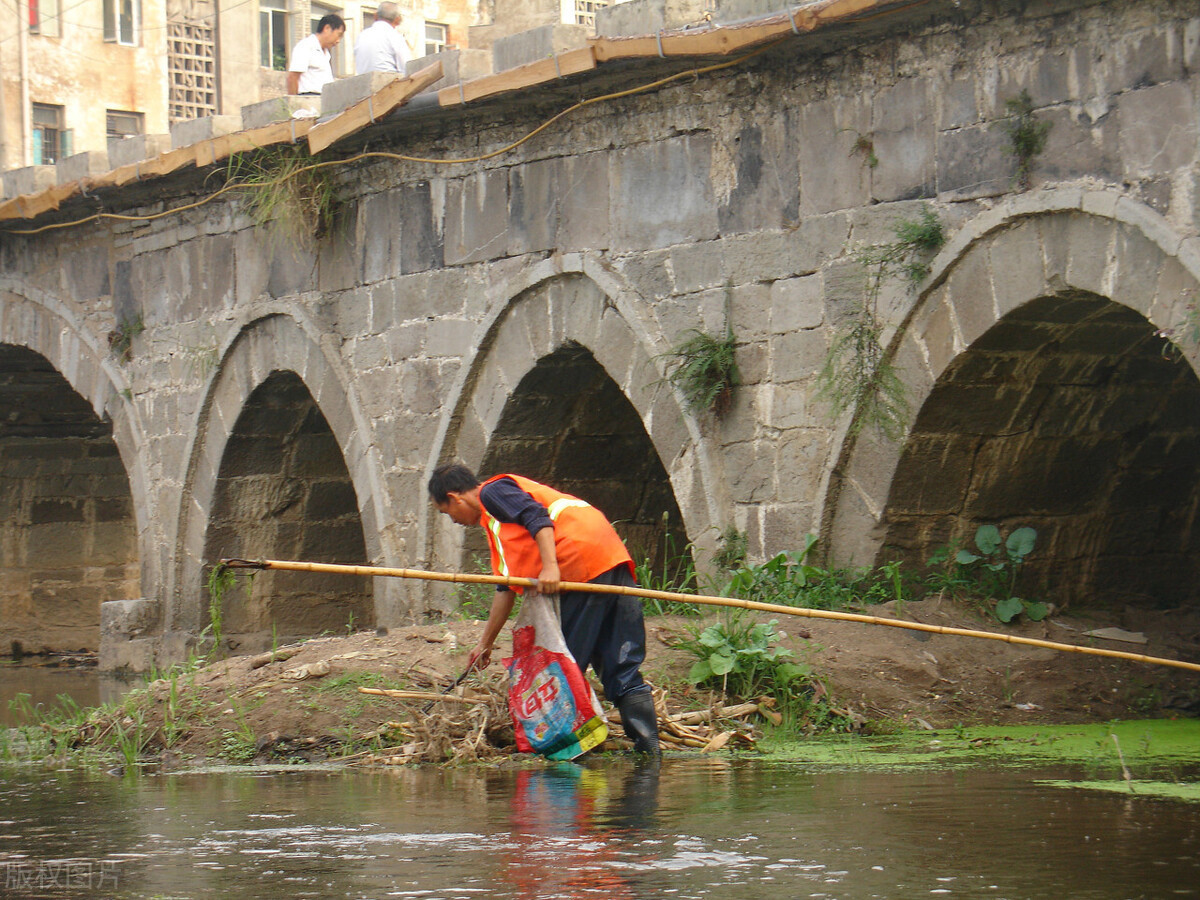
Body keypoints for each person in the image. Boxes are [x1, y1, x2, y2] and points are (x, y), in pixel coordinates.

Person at [429, 463, 660, 755]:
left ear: (455, 497)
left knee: (564, 665)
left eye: (446, 512)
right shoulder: (497, 527)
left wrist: (550, 567)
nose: (452, 519)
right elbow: (505, 589)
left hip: (575, 561)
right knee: (618, 658)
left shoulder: (492, 492)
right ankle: (649, 749)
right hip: (608, 557)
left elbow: (536, 516)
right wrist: (484, 643)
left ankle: (573, 753)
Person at [287, 14, 346, 95]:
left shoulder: (326, 53)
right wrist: (294, 103)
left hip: (324, 99)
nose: (338, 40)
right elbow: (293, 77)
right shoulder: (306, 46)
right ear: (327, 28)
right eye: (338, 35)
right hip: (308, 97)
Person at [354, 1, 411, 75]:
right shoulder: (395, 36)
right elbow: (406, 68)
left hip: (363, 83)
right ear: (397, 20)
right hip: (389, 83)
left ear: (375, 16)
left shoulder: (361, 36)